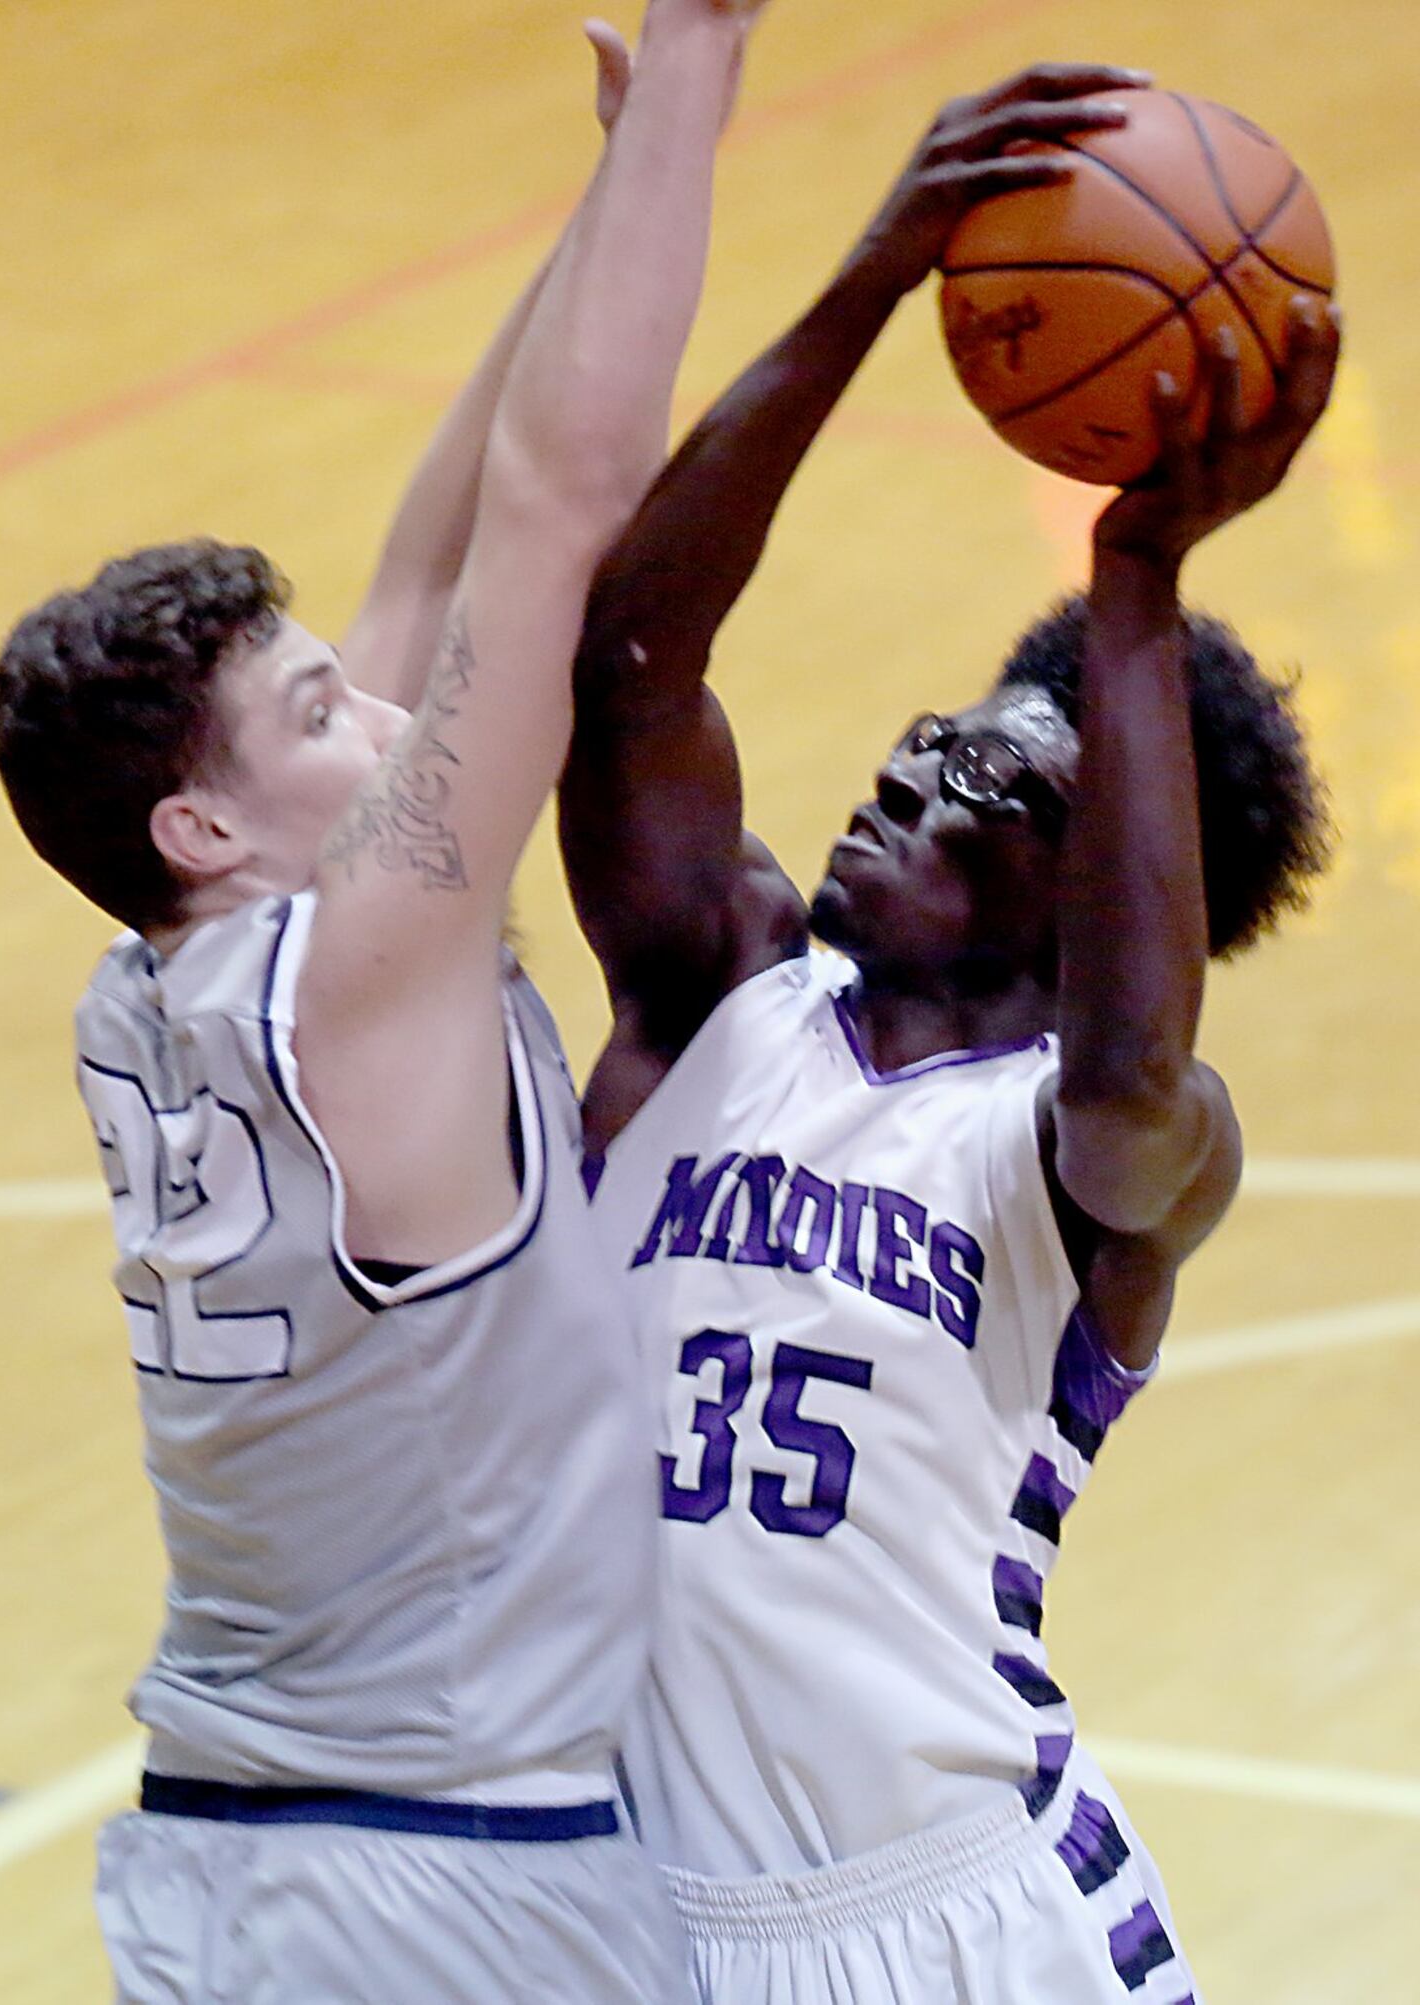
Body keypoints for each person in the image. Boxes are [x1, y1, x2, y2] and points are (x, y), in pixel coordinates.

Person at [0, 7, 764, 2001]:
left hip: (235, 1863)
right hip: (446, 1886)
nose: (391, 718)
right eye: (320, 713)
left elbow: (429, 547)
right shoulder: (365, 972)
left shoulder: (159, 978)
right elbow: (556, 510)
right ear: (200, 819)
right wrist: (696, 61)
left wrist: (603, 185)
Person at [560, 65, 1339, 2005]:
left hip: (962, 1926)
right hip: (639, 1933)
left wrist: (1134, 582)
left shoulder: (1098, 1163)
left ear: (1085, 885)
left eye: (980, 777)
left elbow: (1131, 1067)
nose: (906, 763)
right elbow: (631, 662)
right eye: (923, 736)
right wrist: (866, 284)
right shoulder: (712, 995)